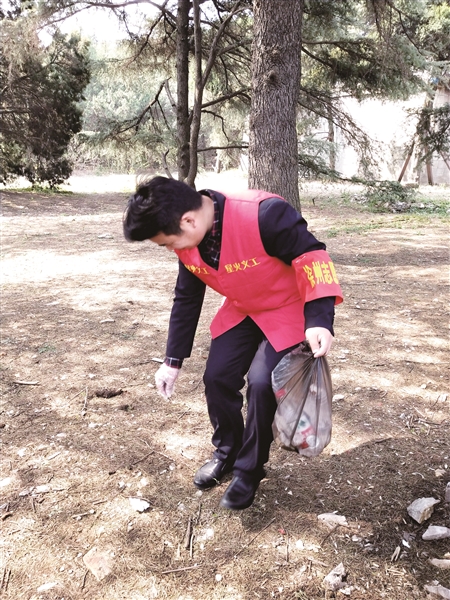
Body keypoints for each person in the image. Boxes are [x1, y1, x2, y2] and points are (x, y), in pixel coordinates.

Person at [123, 176, 343, 510]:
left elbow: (312, 256)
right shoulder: (189, 240)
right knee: (217, 377)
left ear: (188, 221)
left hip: (288, 307)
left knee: (262, 382)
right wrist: (172, 361)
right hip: (244, 309)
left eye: (167, 243)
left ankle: (249, 470)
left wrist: (319, 319)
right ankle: (227, 450)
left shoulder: (264, 214)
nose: (171, 250)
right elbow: (187, 298)